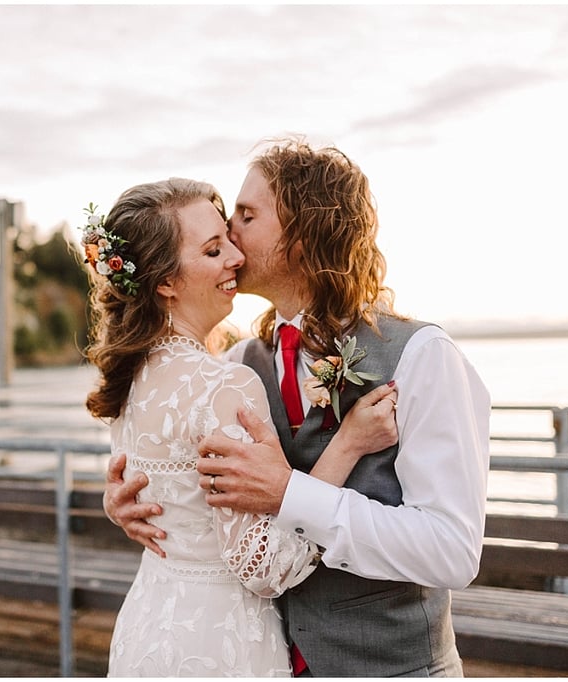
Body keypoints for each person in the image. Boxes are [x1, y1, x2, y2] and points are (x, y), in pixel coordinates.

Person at [104, 139, 491, 677]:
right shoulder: (240, 362)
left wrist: (297, 496)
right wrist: (141, 503)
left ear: (304, 234)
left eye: (246, 215)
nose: (230, 232)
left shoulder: (423, 357)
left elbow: (452, 551)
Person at [82, 177, 401, 676]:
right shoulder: (225, 384)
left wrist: (116, 507)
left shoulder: (129, 377)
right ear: (165, 282)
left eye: (229, 236)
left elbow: (164, 501)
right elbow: (265, 567)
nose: (235, 255)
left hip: (148, 628)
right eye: (212, 250)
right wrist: (350, 443)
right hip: (219, 645)